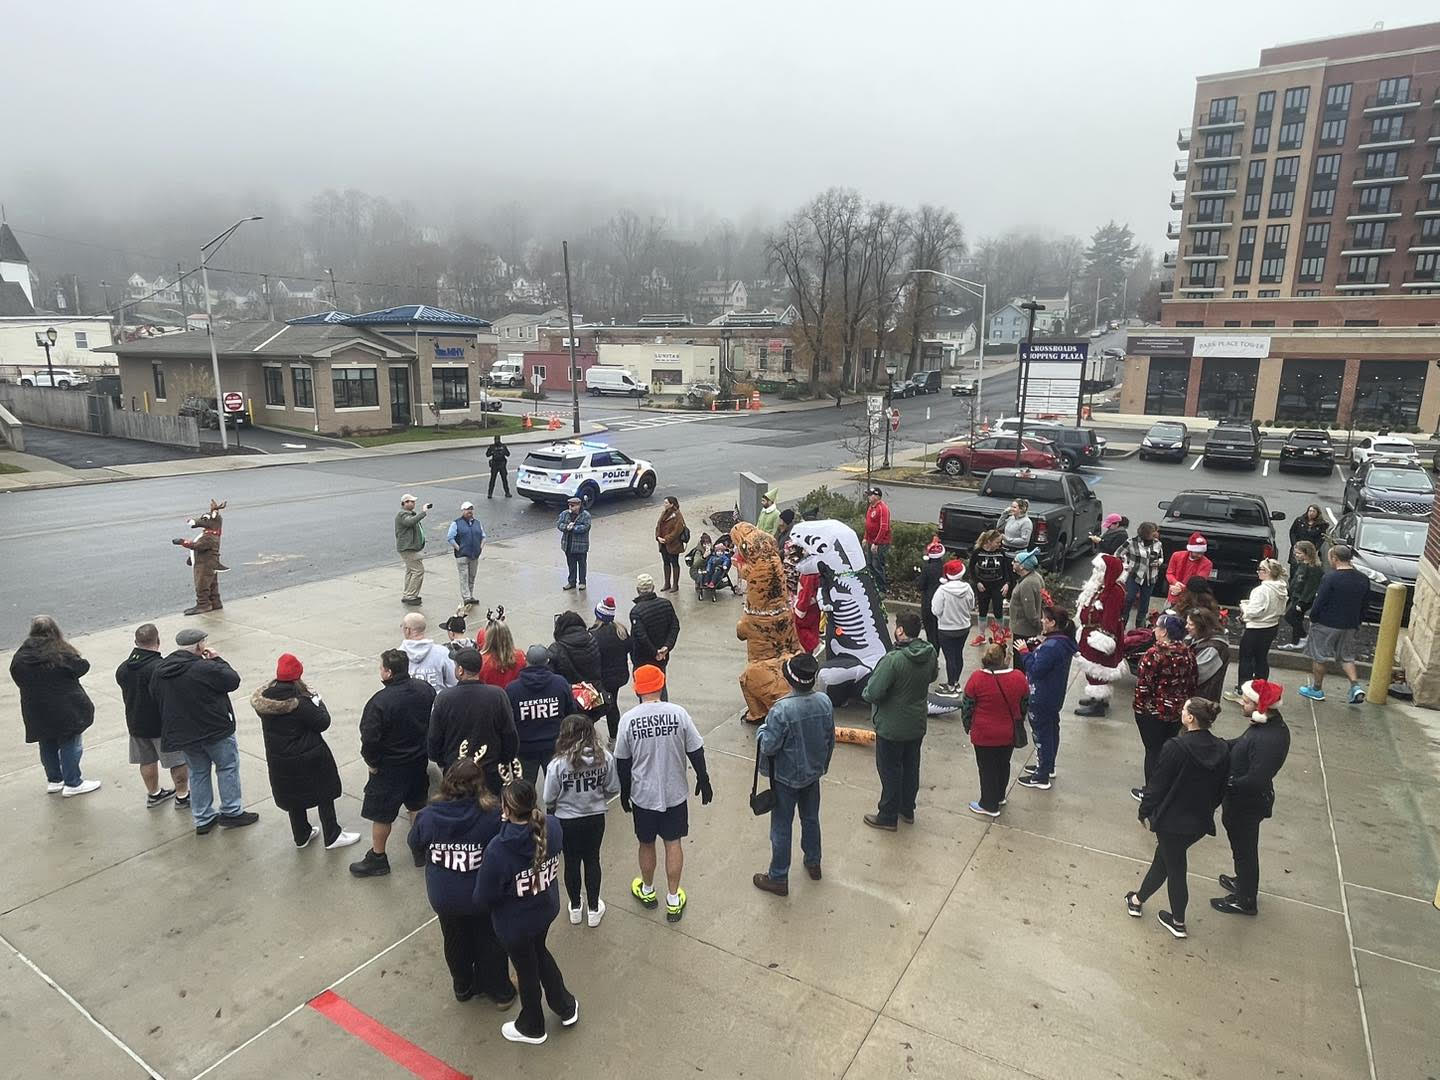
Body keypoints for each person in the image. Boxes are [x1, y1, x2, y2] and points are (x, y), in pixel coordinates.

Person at [473, 779, 578, 1045]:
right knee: (539, 952)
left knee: (526, 969)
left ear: (507, 810)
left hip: (515, 924)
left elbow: (483, 896)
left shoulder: (498, 849)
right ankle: (565, 1006)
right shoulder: (552, 826)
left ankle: (532, 1025)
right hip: (545, 908)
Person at [409, 756, 516, 1006]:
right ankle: (500, 992)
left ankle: (463, 986)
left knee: (454, 940)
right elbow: (506, 847)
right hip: (482, 894)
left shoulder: (428, 816)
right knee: (490, 941)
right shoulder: (493, 815)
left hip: (444, 896)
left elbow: (415, 843)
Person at [614, 664, 711, 923]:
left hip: (643, 795)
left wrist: (625, 792)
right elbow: (696, 749)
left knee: (646, 843)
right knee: (673, 843)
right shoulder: (678, 713)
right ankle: (672, 898)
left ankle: (647, 890)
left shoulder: (628, 720)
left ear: (637, 689)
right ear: (661, 684)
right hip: (674, 792)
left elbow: (622, 761)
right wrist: (704, 778)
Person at [1126, 696, 1229, 939]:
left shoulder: (1175, 747)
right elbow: (1221, 788)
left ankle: (1178, 921)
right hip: (1199, 821)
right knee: (1164, 860)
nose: (1181, 712)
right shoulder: (1222, 748)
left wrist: (1144, 811)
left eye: (1184, 709)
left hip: (1173, 821)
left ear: (1190, 717)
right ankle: (1137, 899)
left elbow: (1157, 784)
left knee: (1175, 868)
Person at [152, 628, 258, 833]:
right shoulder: (204, 668)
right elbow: (232, 680)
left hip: (185, 734)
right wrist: (218, 660)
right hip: (215, 730)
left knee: (198, 772)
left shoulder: (160, 670)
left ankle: (202, 818)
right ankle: (231, 811)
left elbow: (155, 695)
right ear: (200, 646)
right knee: (227, 768)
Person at [250, 653, 360, 851]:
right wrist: (319, 702)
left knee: (293, 796)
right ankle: (332, 835)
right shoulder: (299, 701)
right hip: (309, 755)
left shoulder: (266, 700)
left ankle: (301, 835)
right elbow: (322, 722)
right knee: (324, 793)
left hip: (280, 759)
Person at [752, 653, 835, 897]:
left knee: (781, 826)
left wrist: (762, 731)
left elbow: (768, 745)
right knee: (811, 819)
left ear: (790, 680)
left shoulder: (782, 710)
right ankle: (813, 861)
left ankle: (778, 877)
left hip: (786, 778)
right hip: (813, 773)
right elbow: (829, 738)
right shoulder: (824, 702)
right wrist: (823, 765)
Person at [351, 649, 435, 878]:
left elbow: (369, 738)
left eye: (381, 667)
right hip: (418, 761)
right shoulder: (424, 689)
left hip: (390, 767)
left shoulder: (379, 702)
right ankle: (421, 849)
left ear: (388, 671)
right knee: (417, 805)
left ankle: (378, 857)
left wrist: (373, 762)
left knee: (382, 814)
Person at [1213, 679, 1291, 917]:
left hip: (1246, 804)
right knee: (1241, 848)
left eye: (1245, 701)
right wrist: (1217, 746)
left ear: (1260, 706)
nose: (1241, 704)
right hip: (1240, 801)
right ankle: (1243, 882)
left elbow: (1256, 779)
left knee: (1245, 850)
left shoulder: (1269, 738)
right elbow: (1241, 745)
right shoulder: (1264, 726)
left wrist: (1227, 783)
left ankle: (1246, 900)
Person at [861, 612, 938, 831]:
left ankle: (887, 815)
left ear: (900, 630)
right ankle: (907, 809)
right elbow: (932, 676)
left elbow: (873, 692)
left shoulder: (893, 660)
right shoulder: (929, 652)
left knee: (890, 770)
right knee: (911, 767)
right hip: (916, 723)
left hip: (892, 726)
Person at [543, 713, 620, 925]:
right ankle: (594, 908)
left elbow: (548, 797)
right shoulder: (604, 757)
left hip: (566, 820)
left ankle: (575, 907)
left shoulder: (558, 764)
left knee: (572, 862)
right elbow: (613, 787)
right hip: (595, 817)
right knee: (593, 859)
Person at [10, 615, 100, 798]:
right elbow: (82, 666)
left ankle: (54, 780)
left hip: (36, 708)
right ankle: (73, 782)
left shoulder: (21, 655)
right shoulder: (60, 652)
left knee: (46, 743)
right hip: (65, 706)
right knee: (70, 743)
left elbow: (16, 675)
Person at [115, 622, 189, 808]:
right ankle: (182, 795)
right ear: (158, 641)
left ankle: (154, 793)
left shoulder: (123, 669)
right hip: (161, 724)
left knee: (146, 760)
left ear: (135, 642)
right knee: (177, 762)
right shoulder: (160, 667)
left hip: (136, 723)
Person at [430, 649, 520, 789]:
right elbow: (509, 733)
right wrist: (504, 759)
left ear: (460, 670)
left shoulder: (444, 698)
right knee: (491, 808)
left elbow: (435, 737)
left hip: (456, 771)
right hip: (489, 770)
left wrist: (442, 761)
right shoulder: (497, 695)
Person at [1131, 614, 1198, 799]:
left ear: (1165, 632)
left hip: (1153, 712)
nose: (1154, 630)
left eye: (1157, 627)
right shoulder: (1188, 653)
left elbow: (1144, 685)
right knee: (1167, 748)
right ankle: (1166, 788)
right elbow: (1193, 682)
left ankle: (1151, 792)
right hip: (1177, 711)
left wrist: (1140, 707)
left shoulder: (1154, 654)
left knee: (1153, 751)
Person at [960, 642, 1029, 817]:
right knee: (1003, 764)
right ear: (1005, 658)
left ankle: (988, 804)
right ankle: (999, 796)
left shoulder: (976, 678)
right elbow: (1024, 704)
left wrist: (968, 726)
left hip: (984, 733)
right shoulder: (1019, 677)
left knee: (986, 767)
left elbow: (967, 706)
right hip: (1008, 732)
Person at [1015, 605, 1078, 790]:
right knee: (1051, 731)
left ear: (1052, 623)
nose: (1042, 621)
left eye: (1045, 619)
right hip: (1054, 696)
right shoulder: (1063, 642)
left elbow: (1035, 670)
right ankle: (1047, 767)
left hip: (1041, 697)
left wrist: (1025, 653)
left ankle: (1041, 776)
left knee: (1041, 735)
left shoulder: (1052, 646)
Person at [1299, 544, 1371, 704]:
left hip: (1327, 623)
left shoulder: (1330, 578)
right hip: (1350, 624)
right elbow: (1365, 604)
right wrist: (1357, 621)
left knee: (1320, 657)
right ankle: (1355, 686)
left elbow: (1320, 601)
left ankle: (1317, 689)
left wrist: (1313, 617)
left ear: (1335, 558)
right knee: (1346, 657)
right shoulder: (1363, 579)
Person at [506, 645, 578, 782]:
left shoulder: (513, 689)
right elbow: (571, 713)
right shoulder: (560, 683)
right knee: (558, 787)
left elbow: (509, 721)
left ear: (526, 661)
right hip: (554, 745)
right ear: (547, 661)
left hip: (524, 748)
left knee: (523, 791)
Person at [1073, 553, 1128, 717]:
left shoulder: (1115, 591)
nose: (1095, 571)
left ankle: (1098, 705)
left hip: (1100, 633)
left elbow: (1110, 616)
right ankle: (1097, 697)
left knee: (1099, 666)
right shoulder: (1102, 585)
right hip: (1090, 631)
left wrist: (1103, 637)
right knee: (1092, 666)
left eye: (1099, 568)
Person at [1227, 559, 1288, 703]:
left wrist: (1245, 608)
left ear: (1267, 572)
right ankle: (1260, 689)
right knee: (1261, 658)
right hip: (1271, 626)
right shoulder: (1281, 589)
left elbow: (1254, 612)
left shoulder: (1261, 590)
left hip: (1256, 628)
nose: (1258, 571)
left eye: (1261, 569)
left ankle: (1243, 691)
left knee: (1246, 659)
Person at [630, 572, 680, 699]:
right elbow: (674, 627)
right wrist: (666, 648)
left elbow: (641, 637)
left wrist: (654, 652)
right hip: (662, 657)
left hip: (643, 658)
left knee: (644, 690)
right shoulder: (666, 604)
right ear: (653, 588)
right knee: (661, 684)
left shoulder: (636, 612)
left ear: (637, 590)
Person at [549, 611, 605, 722]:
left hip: (571, 698)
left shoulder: (556, 648)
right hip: (592, 695)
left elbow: (551, 677)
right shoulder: (593, 640)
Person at [930, 558, 976, 693]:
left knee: (949, 657)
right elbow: (972, 606)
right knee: (958, 655)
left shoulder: (942, 590)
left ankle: (950, 686)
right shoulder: (968, 588)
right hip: (964, 627)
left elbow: (936, 610)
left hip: (946, 629)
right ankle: (956, 682)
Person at [591, 597, 631, 742]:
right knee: (613, 705)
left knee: (600, 707)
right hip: (620, 676)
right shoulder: (621, 631)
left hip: (602, 678)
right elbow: (629, 647)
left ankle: (596, 737)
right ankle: (615, 737)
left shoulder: (594, 635)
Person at [1278, 541, 1323, 651]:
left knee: (1290, 616)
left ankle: (1303, 636)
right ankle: (1295, 641)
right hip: (1296, 597)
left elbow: (1310, 587)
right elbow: (1296, 581)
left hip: (1303, 599)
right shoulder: (1303, 565)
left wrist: (1302, 602)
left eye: (1299, 553)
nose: (1296, 555)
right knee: (1296, 618)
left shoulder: (1313, 568)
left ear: (1307, 553)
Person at [1121, 522, 1165, 630]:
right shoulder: (1131, 542)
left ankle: (1140, 627)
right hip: (1134, 575)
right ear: (1146, 533)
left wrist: (1158, 562)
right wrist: (1126, 565)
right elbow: (1118, 554)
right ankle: (1122, 622)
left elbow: (1161, 557)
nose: (1156, 533)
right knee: (1129, 598)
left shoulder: (1157, 543)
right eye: (1153, 532)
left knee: (1144, 603)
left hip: (1150, 577)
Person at [401, 612, 458, 691]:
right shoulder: (442, 653)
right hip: (438, 701)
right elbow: (453, 682)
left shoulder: (398, 655)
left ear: (408, 630)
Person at [966, 530, 1011, 628]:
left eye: (1000, 542)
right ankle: (981, 635)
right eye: (997, 542)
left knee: (998, 611)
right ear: (989, 541)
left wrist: (1007, 583)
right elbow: (971, 568)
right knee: (982, 611)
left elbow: (1006, 569)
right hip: (983, 586)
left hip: (998, 585)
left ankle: (999, 635)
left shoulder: (1001, 552)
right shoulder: (978, 552)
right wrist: (977, 582)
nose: (999, 545)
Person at [1187, 609, 1230, 703]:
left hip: (1203, 701)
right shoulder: (1201, 640)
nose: (1186, 627)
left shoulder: (1214, 648)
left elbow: (1196, 675)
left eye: (1190, 624)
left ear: (1201, 626)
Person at [447, 501, 485, 609]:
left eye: (471, 509)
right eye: (467, 509)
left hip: (474, 555)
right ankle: (466, 597)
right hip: (462, 556)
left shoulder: (477, 523)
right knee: (464, 576)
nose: (469, 511)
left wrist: (480, 547)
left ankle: (470, 595)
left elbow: (483, 536)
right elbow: (450, 538)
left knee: (472, 576)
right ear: (463, 511)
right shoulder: (456, 523)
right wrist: (459, 548)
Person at [396, 493, 432, 605]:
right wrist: (424, 512)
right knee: (418, 570)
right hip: (408, 548)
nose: (413, 503)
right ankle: (411, 596)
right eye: (411, 501)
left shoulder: (409, 514)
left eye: (413, 501)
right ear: (404, 503)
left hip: (411, 548)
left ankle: (408, 593)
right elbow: (409, 522)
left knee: (410, 571)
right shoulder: (403, 515)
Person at [1007, 549, 1045, 643]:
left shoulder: (1027, 583)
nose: (1012, 563)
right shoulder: (1036, 577)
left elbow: (1030, 611)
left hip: (1023, 631)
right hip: (1025, 630)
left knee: (1021, 657)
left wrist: (1038, 626)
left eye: (1015, 561)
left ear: (1022, 566)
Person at [915, 537, 946, 647]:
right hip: (942, 603)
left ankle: (933, 653)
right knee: (939, 629)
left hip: (928, 603)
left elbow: (920, 586)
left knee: (930, 631)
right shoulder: (944, 567)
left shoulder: (927, 568)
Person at [479, 616, 526, 690]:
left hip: (492, 698)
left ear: (488, 638)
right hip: (514, 696)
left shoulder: (482, 661)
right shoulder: (520, 656)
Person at [1165, 533, 1213, 604]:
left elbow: (1198, 584)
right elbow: (1169, 573)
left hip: (1191, 599)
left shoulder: (1207, 563)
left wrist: (1181, 589)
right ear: (1190, 550)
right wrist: (1175, 582)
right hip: (1173, 594)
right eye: (1197, 553)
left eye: (1202, 553)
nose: (1200, 555)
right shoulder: (1176, 556)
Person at [556, 496, 591, 591]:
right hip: (568, 544)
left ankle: (582, 582)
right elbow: (559, 524)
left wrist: (574, 528)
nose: (571, 508)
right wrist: (566, 527)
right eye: (570, 505)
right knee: (571, 564)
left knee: (582, 564)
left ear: (579, 505)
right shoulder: (565, 514)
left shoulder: (585, 515)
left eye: (573, 506)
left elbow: (586, 527)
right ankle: (571, 582)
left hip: (580, 546)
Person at [863, 486, 892, 593]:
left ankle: (881, 589)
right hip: (871, 541)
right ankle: (873, 586)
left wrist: (876, 543)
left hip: (880, 543)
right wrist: (866, 538)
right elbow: (868, 525)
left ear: (876, 496)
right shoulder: (871, 507)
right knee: (870, 564)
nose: (868, 497)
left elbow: (884, 527)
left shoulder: (882, 508)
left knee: (877, 565)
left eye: (870, 495)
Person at [655, 496, 687, 593]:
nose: (664, 505)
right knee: (665, 562)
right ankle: (667, 583)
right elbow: (658, 526)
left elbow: (677, 530)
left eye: (666, 503)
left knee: (674, 563)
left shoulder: (677, 515)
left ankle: (675, 585)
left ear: (672, 504)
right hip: (663, 543)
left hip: (673, 544)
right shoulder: (663, 513)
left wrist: (666, 539)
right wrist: (658, 537)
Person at [792, 565, 822, 653]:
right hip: (813, 605)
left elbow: (806, 592)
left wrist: (800, 608)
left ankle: (812, 648)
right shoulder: (816, 569)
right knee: (813, 628)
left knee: (801, 628)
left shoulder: (809, 572)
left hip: (806, 606)